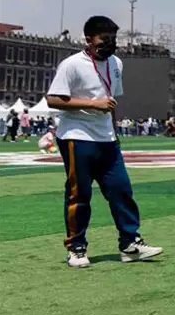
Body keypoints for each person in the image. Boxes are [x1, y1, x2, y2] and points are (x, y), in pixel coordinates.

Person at [46, 15, 163, 268]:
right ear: (88, 40)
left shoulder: (116, 63)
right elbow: (53, 99)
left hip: (107, 139)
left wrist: (114, 133)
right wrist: (92, 104)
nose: (110, 43)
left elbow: (111, 102)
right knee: (80, 194)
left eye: (113, 38)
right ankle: (76, 248)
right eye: (104, 39)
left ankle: (130, 243)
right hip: (77, 137)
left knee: (121, 190)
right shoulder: (72, 65)